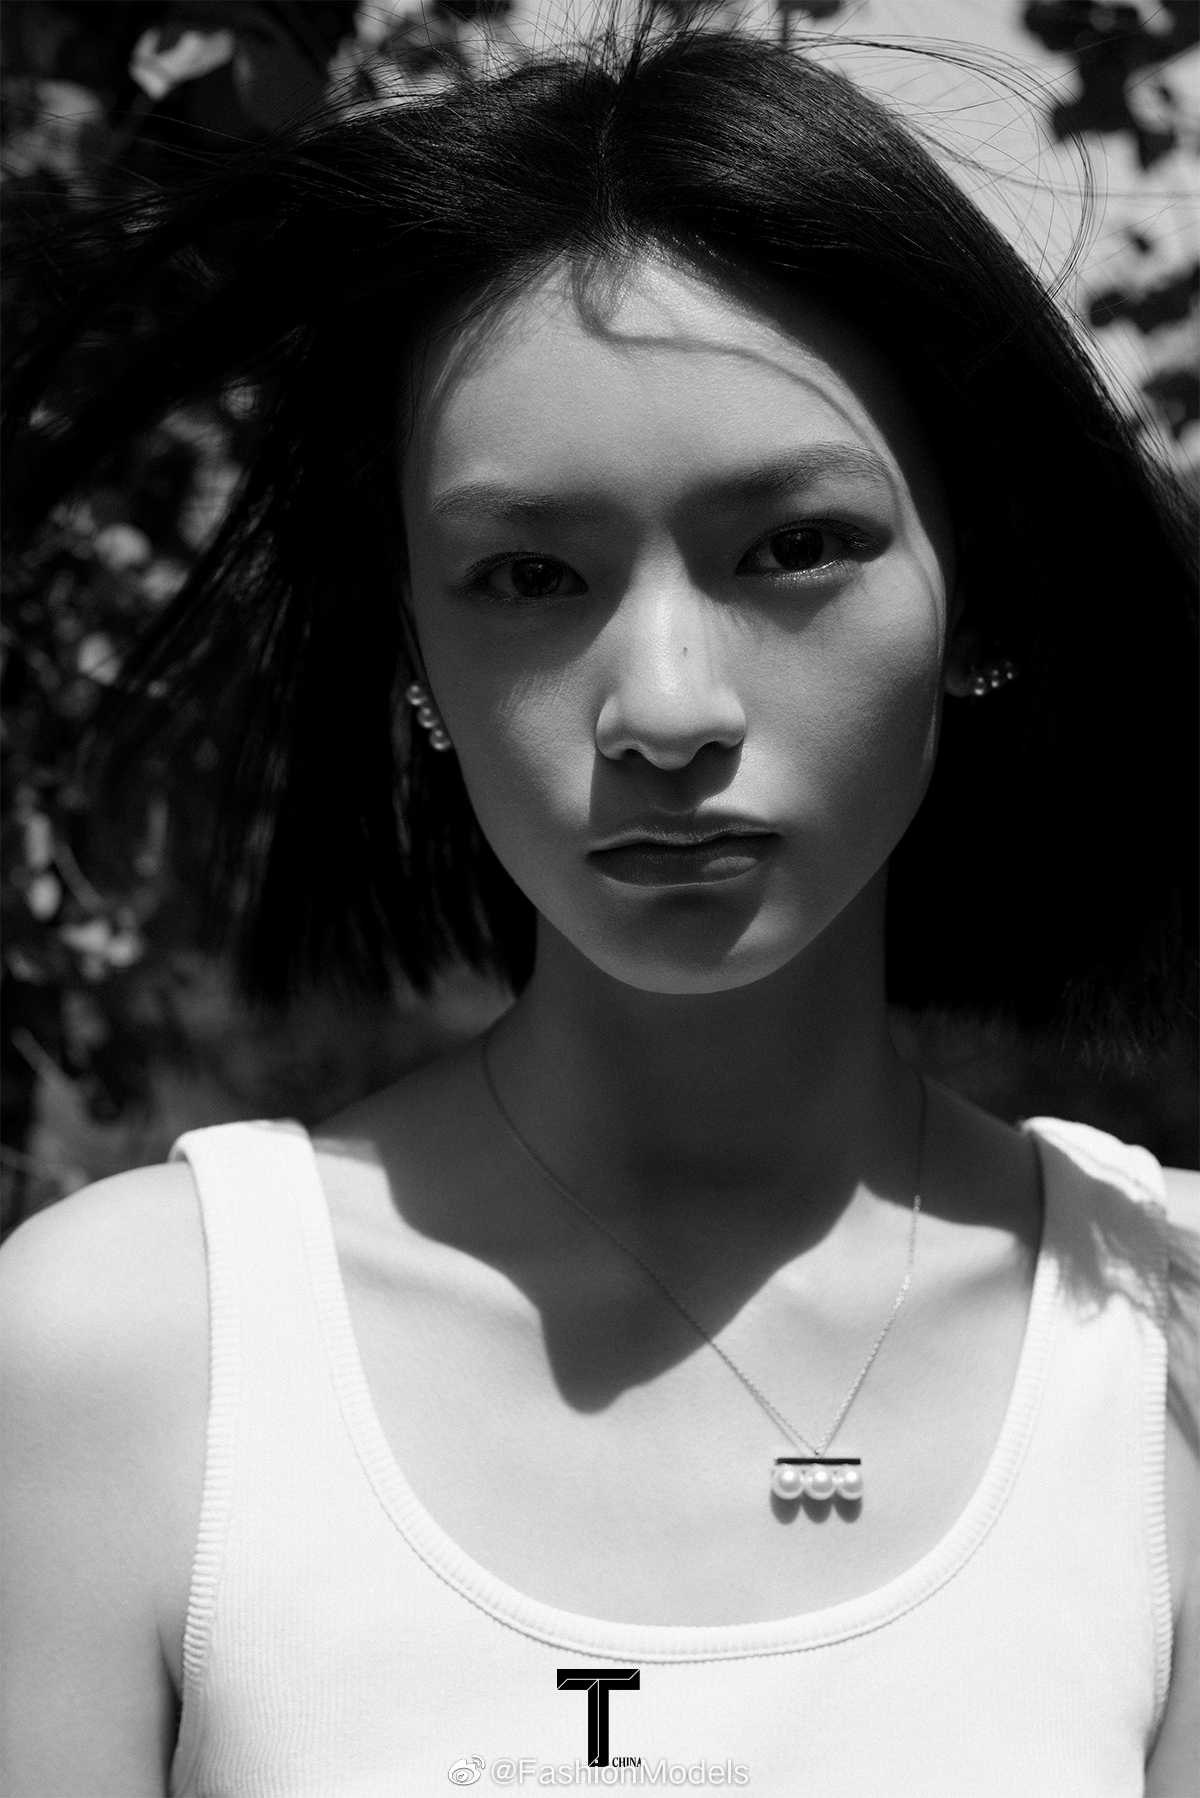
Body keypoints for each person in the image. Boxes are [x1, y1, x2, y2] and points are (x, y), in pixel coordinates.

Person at [1, 22, 1196, 1797]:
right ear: (416, 648)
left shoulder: (1171, 1339)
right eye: (529, 574)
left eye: (792, 546)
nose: (664, 708)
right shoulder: (124, 1351)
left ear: (987, 590)